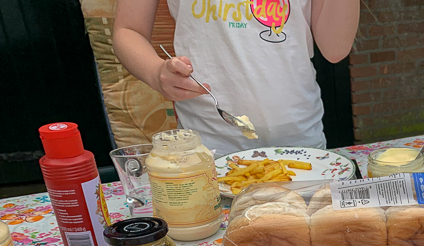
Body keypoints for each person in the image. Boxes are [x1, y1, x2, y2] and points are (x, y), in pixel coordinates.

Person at [113, 0, 359, 156]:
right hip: (208, 149)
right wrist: (156, 73)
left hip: (299, 144)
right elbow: (128, 30)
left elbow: (335, 48)